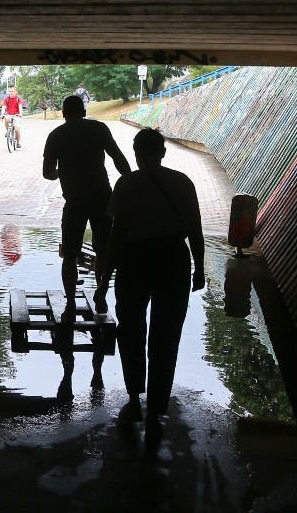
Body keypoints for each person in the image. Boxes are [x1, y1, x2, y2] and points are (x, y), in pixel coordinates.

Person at [93, 128, 206, 450]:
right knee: (166, 334)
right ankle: (157, 407)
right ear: (163, 152)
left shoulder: (127, 184)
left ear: (137, 152)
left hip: (135, 261)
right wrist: (198, 268)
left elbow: (117, 236)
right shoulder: (182, 182)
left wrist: (103, 281)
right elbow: (195, 229)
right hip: (174, 259)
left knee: (131, 329)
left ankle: (133, 398)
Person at [43, 95, 132, 321]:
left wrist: (61, 173)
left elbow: (47, 173)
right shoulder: (99, 129)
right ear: (83, 112)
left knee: (70, 255)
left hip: (74, 201)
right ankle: (100, 294)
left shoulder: (56, 136)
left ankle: (71, 302)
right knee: (103, 250)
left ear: (63, 113)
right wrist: (133, 183)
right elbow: (118, 159)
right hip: (102, 198)